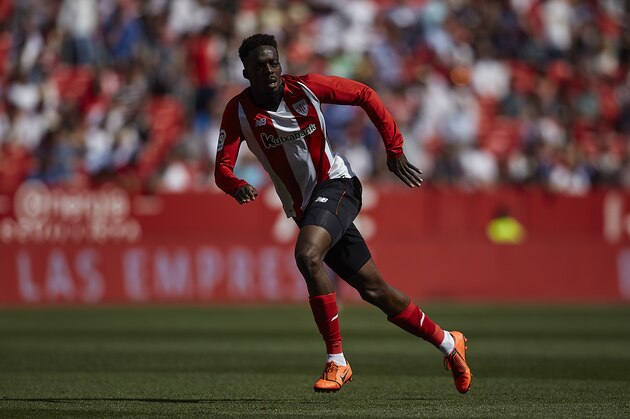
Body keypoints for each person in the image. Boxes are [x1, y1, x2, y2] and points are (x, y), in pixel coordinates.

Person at [214, 33, 472, 394]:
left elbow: (365, 94)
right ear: (246, 72)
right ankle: (449, 342)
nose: (269, 69)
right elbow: (221, 168)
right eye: (259, 65)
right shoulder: (238, 111)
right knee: (375, 290)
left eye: (273, 62)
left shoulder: (305, 89)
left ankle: (337, 360)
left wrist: (394, 148)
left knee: (306, 254)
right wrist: (236, 184)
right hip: (307, 210)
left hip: (337, 185)